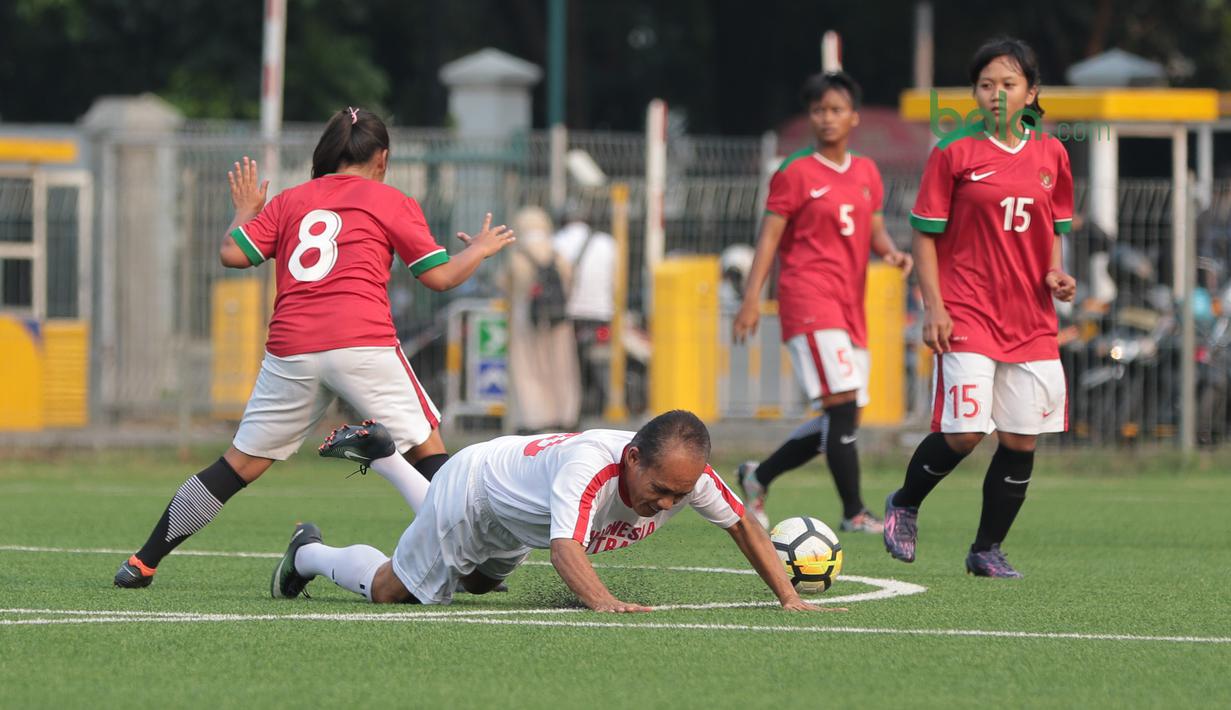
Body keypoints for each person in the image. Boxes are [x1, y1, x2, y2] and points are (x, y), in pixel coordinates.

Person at [114, 107, 515, 588]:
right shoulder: (391, 199)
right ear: (382, 158)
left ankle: (143, 561)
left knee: (237, 465)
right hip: (362, 342)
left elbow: (233, 254)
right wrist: (480, 249)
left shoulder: (289, 200)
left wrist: (246, 210)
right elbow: (440, 276)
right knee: (428, 448)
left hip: (292, 348)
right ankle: (473, 568)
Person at [272, 410, 835, 612]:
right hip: (476, 492)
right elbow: (567, 548)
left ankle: (391, 459)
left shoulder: (690, 476)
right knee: (395, 589)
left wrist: (788, 597)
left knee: (475, 583)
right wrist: (605, 602)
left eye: (678, 497)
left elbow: (745, 526)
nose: (664, 505)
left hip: (517, 513)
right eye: (658, 490)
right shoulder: (589, 466)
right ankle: (307, 554)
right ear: (632, 457)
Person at [883, 37, 1076, 578]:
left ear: (1031, 92)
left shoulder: (1052, 154)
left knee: (1020, 437)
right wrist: (933, 307)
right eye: (986, 84)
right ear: (974, 92)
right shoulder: (953, 151)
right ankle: (905, 502)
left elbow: (1051, 233)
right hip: (966, 310)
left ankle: (986, 549)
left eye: (1008, 84)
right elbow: (924, 237)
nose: (996, 93)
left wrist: (1055, 275)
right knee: (967, 431)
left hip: (1031, 318)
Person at [732, 72, 913, 533]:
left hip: (851, 305)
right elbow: (769, 238)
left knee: (844, 413)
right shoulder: (794, 172)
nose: (826, 118)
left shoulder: (867, 172)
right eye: (818, 110)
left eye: (835, 109)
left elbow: (871, 229)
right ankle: (853, 512)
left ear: (853, 116)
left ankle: (759, 476)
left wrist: (890, 251)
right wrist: (752, 298)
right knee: (843, 402)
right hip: (808, 298)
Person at [503, 206, 581, 433]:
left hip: (525, 321)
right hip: (559, 320)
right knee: (562, 367)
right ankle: (564, 414)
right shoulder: (559, 256)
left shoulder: (518, 257)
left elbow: (506, 285)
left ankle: (532, 417)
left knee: (527, 369)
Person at [553, 212, 616, 417]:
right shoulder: (608, 243)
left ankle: (569, 409)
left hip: (569, 314)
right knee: (599, 363)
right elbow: (616, 280)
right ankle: (601, 406)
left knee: (567, 366)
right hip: (601, 313)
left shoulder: (557, 241)